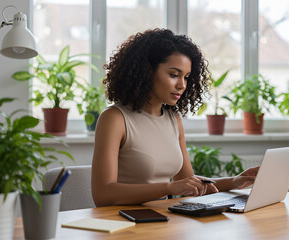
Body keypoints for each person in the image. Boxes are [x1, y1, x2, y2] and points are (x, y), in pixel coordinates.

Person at [91, 28, 259, 207]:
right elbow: (103, 194)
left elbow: (188, 182)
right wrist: (168, 188)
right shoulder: (114, 119)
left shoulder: (173, 118)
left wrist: (235, 181)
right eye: (174, 75)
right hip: (122, 221)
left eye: (186, 77)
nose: (182, 85)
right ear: (147, 71)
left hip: (163, 218)